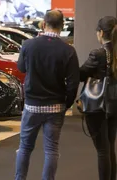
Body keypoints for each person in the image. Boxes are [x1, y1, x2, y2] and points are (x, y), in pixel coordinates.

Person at [15, 10, 80, 180]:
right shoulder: (68, 51)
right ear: (63, 26)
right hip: (56, 106)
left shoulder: (28, 45)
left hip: (32, 105)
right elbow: (73, 82)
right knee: (51, 150)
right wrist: (67, 103)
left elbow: (21, 68)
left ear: (43, 24)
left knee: (25, 148)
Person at [80, 16, 117, 180]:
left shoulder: (98, 54)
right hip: (114, 105)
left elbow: (81, 74)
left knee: (102, 150)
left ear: (101, 33)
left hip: (98, 106)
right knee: (109, 147)